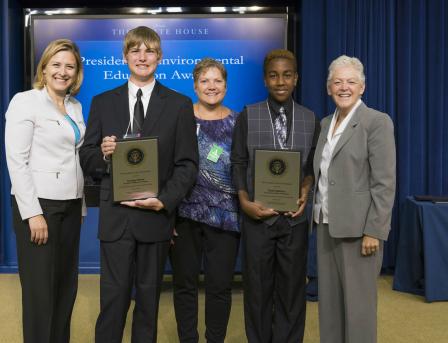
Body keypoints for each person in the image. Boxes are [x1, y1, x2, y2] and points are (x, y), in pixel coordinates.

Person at [79, 26, 198, 343]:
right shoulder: (103, 102)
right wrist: (104, 156)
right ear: (124, 56)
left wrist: (165, 201)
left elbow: (187, 164)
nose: (142, 57)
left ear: (159, 57)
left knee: (148, 305)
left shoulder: (179, 104)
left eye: (149, 51)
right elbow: (87, 157)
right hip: (116, 220)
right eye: (135, 50)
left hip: (155, 219)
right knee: (113, 304)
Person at [231, 49, 320, 343]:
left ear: (296, 78)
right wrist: (244, 201)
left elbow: (310, 169)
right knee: (257, 291)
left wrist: (306, 189)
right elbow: (239, 163)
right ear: (265, 79)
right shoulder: (248, 114)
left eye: (286, 75)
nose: (280, 81)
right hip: (258, 219)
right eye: (273, 75)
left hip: (294, 220)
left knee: (292, 291)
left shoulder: (311, 119)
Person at [5, 39, 86, 343]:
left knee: (66, 288)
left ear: (76, 72)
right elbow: (17, 160)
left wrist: (80, 206)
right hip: (40, 208)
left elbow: (74, 157)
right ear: (44, 67)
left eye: (70, 66)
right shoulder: (25, 101)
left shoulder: (75, 105)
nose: (63, 72)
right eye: (57, 64)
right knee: (40, 293)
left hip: (70, 205)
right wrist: (33, 213)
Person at [312, 55, 396, 343]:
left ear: (362, 87)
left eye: (351, 81)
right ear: (328, 88)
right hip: (325, 225)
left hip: (360, 232)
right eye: (337, 82)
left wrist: (374, 229)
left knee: (359, 310)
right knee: (330, 307)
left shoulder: (377, 122)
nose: (343, 87)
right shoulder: (325, 124)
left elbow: (384, 183)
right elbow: (325, 175)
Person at [170, 58, 240, 343]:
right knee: (184, 286)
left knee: (220, 287)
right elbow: (167, 168)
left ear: (225, 85)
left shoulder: (238, 122)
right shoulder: (180, 119)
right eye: (205, 81)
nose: (211, 86)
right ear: (195, 85)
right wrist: (169, 215)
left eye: (217, 81)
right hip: (184, 216)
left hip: (226, 217)